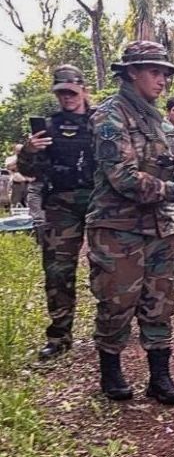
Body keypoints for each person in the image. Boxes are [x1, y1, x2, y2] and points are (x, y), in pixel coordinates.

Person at [87, 41, 174, 404]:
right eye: (155, 72)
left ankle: (159, 378)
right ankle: (110, 373)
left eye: (165, 73)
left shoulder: (157, 121)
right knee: (116, 304)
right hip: (119, 230)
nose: (162, 80)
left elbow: (170, 181)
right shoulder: (109, 117)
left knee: (160, 302)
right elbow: (125, 180)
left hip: (160, 229)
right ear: (131, 72)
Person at [17, 65, 94, 360]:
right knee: (58, 272)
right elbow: (28, 173)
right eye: (61, 93)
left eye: (71, 92)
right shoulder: (47, 128)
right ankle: (60, 336)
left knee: (110, 269)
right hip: (60, 205)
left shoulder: (100, 122)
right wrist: (29, 151)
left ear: (82, 89)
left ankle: (113, 330)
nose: (67, 98)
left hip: (99, 202)